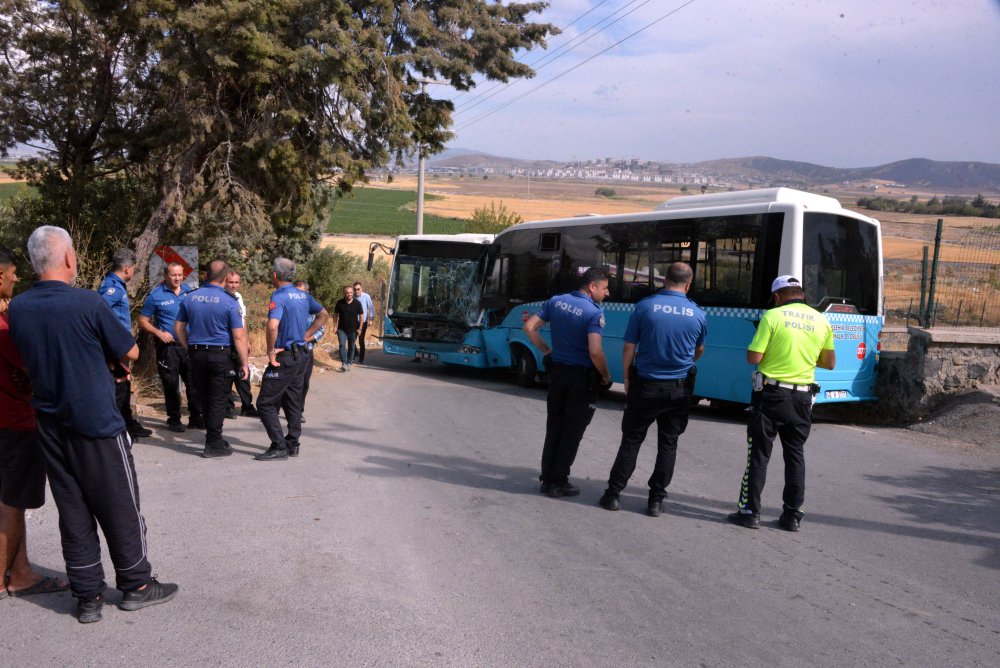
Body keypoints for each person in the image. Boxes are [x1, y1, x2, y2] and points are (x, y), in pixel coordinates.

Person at [9, 226, 177, 623]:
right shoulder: (88, 303)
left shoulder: (18, 308)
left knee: (73, 509)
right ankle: (136, 583)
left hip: (50, 423)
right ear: (68, 259)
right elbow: (131, 351)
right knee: (120, 504)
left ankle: (87, 596)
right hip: (97, 422)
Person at [598, 263, 707, 517]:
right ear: (688, 284)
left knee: (631, 441)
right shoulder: (698, 313)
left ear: (665, 280)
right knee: (668, 445)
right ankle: (656, 500)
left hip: (645, 386)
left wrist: (626, 377)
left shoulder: (645, 307)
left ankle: (613, 494)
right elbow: (699, 349)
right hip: (678, 390)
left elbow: (629, 348)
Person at [728, 275, 836, 531]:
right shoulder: (821, 320)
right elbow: (829, 363)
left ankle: (750, 512)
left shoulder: (772, 317)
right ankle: (792, 516)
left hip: (771, 395)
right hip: (802, 398)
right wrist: (806, 358)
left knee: (759, 455)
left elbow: (754, 356)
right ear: (801, 294)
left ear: (777, 297)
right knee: (795, 455)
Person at [1, 244, 70, 599]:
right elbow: (29, 368)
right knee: (12, 500)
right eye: (12, 270)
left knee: (14, 498)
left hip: (11, 421)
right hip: (15, 421)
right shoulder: (2, 325)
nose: (16, 276)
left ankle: (22, 571)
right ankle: (3, 578)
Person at [524, 266, 612, 498]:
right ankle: (558, 482)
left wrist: (547, 351)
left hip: (557, 375)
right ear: (592, 287)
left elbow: (529, 327)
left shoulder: (556, 301)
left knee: (554, 426)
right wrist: (605, 375)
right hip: (580, 379)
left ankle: (547, 478)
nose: (607, 293)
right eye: (604, 288)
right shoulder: (594, 313)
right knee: (572, 431)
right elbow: (595, 351)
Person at [174, 260, 249, 459]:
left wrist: (188, 347)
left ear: (206, 275)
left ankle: (213, 437)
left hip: (196, 354)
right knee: (218, 398)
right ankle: (213, 441)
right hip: (220, 355)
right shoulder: (229, 301)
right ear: (225, 278)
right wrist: (244, 362)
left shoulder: (190, 298)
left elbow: (178, 328)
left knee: (205, 395)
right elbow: (239, 336)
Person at [254, 259, 328, 461]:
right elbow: (323, 314)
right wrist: (307, 335)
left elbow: (272, 326)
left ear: (275, 275)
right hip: (301, 355)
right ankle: (293, 443)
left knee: (265, 403)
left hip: (285, 355)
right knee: (292, 401)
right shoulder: (303, 295)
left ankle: (279, 446)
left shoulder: (279, 296)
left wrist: (270, 351)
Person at [137, 262, 203, 432]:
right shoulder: (155, 295)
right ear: (165, 275)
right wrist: (158, 333)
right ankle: (174, 419)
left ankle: (196, 417)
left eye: (180, 275)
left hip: (189, 346)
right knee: (171, 384)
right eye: (174, 275)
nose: (177, 278)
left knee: (193, 382)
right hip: (168, 348)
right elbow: (143, 320)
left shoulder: (190, 292)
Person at [98, 248, 152, 438]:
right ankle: (118, 430)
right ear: (128, 268)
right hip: (116, 347)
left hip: (119, 346)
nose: (134, 272)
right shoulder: (112, 287)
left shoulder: (117, 285)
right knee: (119, 388)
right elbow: (100, 311)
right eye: (134, 269)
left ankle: (127, 424)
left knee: (124, 388)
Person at [224, 271, 257, 418]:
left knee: (243, 374)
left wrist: (247, 340)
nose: (234, 285)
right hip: (226, 343)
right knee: (227, 376)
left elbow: (243, 320)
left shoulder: (238, 297)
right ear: (225, 281)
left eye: (236, 282)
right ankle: (228, 407)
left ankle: (247, 406)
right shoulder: (221, 297)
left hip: (239, 342)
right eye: (231, 282)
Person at [293, 280, 325, 406]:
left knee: (304, 382)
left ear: (308, 293)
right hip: (290, 351)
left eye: (302, 293)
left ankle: (299, 409)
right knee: (288, 381)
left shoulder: (314, 308)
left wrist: (308, 338)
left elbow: (321, 330)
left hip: (306, 350)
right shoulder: (289, 306)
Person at [332, 285, 363, 372]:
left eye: (350, 292)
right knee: (342, 345)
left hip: (353, 329)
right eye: (347, 293)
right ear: (344, 293)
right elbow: (335, 315)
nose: (349, 294)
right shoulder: (339, 303)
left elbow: (361, 316)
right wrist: (334, 326)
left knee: (352, 346)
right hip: (341, 329)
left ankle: (349, 362)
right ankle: (344, 363)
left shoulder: (357, 303)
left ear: (352, 293)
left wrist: (360, 328)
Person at [352, 281, 374, 365]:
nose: (356, 291)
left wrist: (371, 319)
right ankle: (353, 355)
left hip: (363, 322)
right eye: (355, 289)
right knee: (352, 339)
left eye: (358, 289)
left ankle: (361, 359)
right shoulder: (352, 297)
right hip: (353, 322)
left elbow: (371, 308)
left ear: (361, 289)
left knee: (361, 340)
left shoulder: (366, 296)